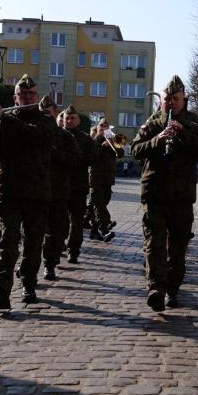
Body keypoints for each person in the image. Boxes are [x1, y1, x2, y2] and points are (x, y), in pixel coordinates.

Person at [0, 74, 55, 309]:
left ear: (36, 97)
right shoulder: (4, 121)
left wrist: (5, 119)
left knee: (33, 242)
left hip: (37, 192)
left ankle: (28, 283)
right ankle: (2, 289)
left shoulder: (45, 121)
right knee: (7, 240)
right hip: (8, 190)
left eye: (31, 94)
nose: (27, 97)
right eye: (22, 94)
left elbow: (33, 136)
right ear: (15, 97)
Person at [131, 75, 198, 312]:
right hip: (155, 194)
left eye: (175, 99)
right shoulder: (152, 122)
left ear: (183, 99)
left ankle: (173, 289)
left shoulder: (193, 121)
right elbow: (135, 149)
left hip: (181, 196)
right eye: (167, 98)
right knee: (154, 244)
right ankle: (156, 288)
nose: (171, 102)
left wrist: (182, 133)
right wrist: (157, 140)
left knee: (177, 248)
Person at [41, 105, 80, 280]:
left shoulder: (65, 137)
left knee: (56, 231)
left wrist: (54, 151)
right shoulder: (29, 133)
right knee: (31, 232)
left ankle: (49, 264)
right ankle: (28, 266)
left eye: (49, 113)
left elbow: (75, 160)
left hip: (58, 191)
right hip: (34, 190)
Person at [63, 106, 94, 264]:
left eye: (72, 118)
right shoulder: (58, 136)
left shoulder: (86, 139)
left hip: (78, 186)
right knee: (59, 221)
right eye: (67, 118)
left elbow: (91, 159)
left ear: (78, 120)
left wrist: (74, 157)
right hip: (60, 186)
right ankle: (57, 246)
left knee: (76, 222)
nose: (69, 121)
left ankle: (73, 250)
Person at [89, 118, 122, 242]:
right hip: (95, 178)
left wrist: (113, 142)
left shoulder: (114, 139)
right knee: (99, 205)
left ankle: (94, 231)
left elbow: (121, 153)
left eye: (106, 129)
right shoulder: (93, 140)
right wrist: (103, 145)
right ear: (97, 129)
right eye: (101, 129)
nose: (103, 132)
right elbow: (92, 155)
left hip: (108, 179)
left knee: (102, 204)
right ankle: (105, 226)